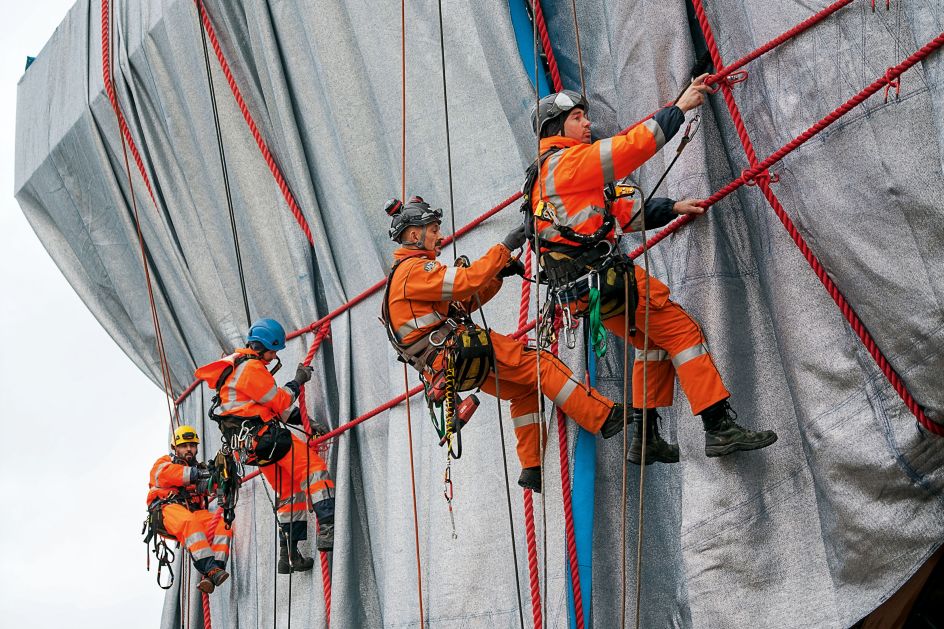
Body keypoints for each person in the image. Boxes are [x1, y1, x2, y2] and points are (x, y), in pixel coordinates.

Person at [526, 77, 777, 465]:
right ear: (557, 128)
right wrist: (680, 108)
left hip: (588, 295)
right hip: (609, 279)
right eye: (578, 118)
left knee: (651, 344)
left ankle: (645, 438)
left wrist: (671, 208)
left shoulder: (549, 177)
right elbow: (628, 150)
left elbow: (619, 212)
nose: (588, 124)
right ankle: (718, 427)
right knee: (682, 333)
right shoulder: (567, 163)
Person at [381, 196, 627, 493]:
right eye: (433, 230)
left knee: (522, 390)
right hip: (457, 349)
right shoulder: (413, 271)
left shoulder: (405, 277)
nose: (441, 236)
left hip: (448, 364)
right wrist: (506, 246)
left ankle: (533, 465)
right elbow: (467, 281)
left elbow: (463, 305)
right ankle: (605, 417)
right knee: (542, 365)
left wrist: (496, 276)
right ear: (413, 235)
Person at [195, 319, 335, 574]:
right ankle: (328, 529)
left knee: (290, 493)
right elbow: (280, 401)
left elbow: (266, 408)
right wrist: (297, 381)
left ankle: (289, 555)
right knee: (315, 471)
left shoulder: (233, 373)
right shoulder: (251, 368)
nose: (273, 357)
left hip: (252, 450)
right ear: (261, 348)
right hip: (268, 440)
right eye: (272, 351)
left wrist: (308, 423)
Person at [146, 426, 232, 594]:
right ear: (175, 448)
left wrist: (221, 475)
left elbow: (213, 487)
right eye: (184, 446)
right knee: (189, 522)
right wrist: (198, 474)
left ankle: (214, 571)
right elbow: (168, 475)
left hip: (192, 512)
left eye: (192, 445)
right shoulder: (164, 463)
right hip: (167, 509)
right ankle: (210, 568)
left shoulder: (199, 469)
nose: (189, 449)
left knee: (223, 526)